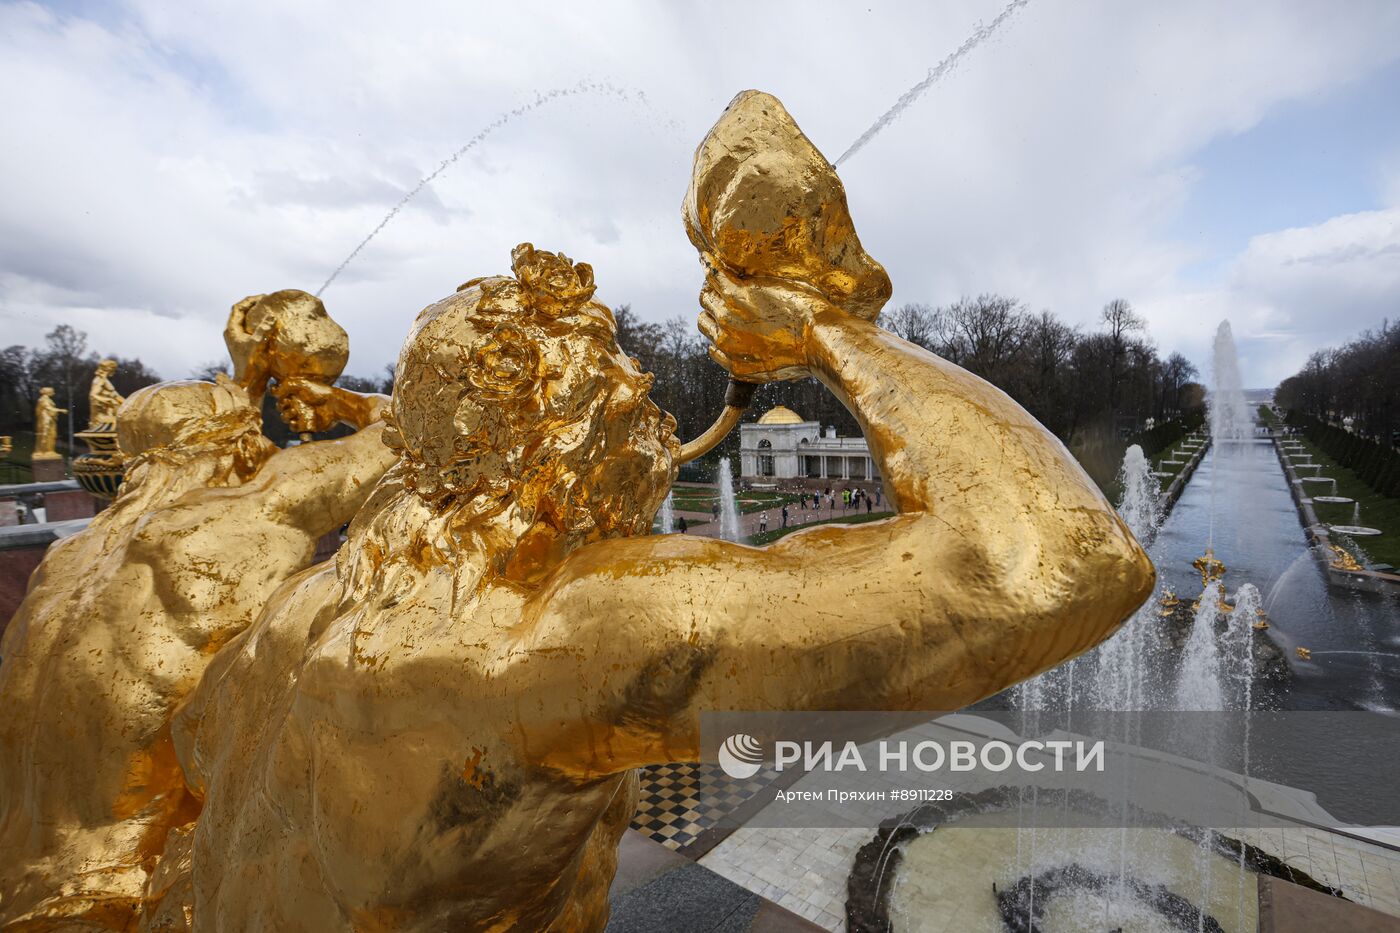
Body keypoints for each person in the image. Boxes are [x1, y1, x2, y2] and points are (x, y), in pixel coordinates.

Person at [140, 96, 1151, 932]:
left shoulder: (308, 608)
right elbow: (1054, 565)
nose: (641, 395)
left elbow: (191, 753)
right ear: (545, 432)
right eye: (613, 376)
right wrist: (829, 333)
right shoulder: (563, 634)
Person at [0, 292, 396, 930]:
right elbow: (409, 432)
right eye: (252, 436)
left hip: (19, 878)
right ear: (236, 444)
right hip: (128, 893)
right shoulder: (229, 522)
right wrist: (338, 401)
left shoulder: (68, 559)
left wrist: (246, 377)